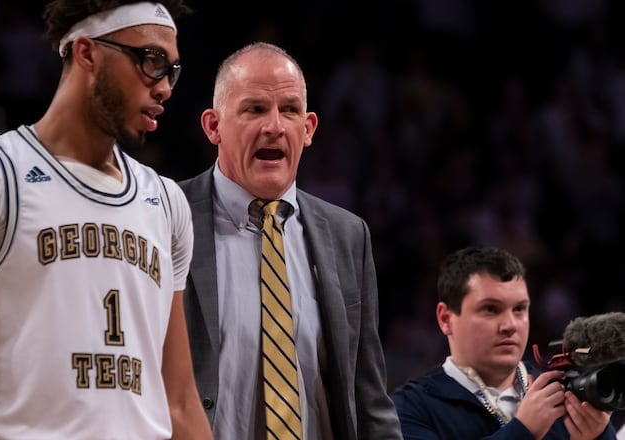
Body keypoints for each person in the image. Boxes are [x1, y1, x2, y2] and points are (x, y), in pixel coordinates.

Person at [0, 1, 211, 439]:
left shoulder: (166, 202)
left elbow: (179, 401)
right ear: (87, 53)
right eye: (151, 61)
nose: (164, 87)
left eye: (172, 70)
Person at [178, 41, 403, 440]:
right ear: (213, 126)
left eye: (289, 110)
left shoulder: (347, 235)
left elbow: (368, 399)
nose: (274, 126)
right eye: (254, 109)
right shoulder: (166, 217)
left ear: (308, 128)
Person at [391, 246, 616, 439]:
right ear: (446, 319)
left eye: (519, 309)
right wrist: (523, 430)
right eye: (490, 309)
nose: (510, 325)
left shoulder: (563, 393)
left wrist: (599, 436)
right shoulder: (410, 407)